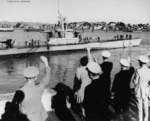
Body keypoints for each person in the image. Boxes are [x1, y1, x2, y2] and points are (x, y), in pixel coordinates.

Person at [20, 56, 51, 121]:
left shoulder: (20, 91)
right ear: (36, 77)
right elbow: (47, 77)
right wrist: (46, 62)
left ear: (25, 77)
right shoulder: (40, 87)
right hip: (39, 117)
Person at [130, 55, 150, 121]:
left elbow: (135, 82)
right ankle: (146, 119)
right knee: (146, 106)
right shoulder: (149, 71)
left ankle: (140, 119)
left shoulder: (138, 71)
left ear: (140, 62)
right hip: (146, 90)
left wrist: (133, 79)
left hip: (139, 90)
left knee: (139, 107)